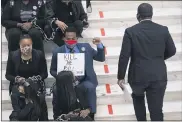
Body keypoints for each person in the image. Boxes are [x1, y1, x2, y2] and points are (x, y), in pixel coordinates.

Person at [117, 3, 176, 121]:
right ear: (152, 14)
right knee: (157, 110)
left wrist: (121, 76)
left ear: (138, 15)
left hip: (137, 75)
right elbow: (172, 50)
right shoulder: (163, 30)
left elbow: (124, 56)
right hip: (158, 74)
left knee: (138, 102)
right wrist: (158, 59)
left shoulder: (130, 31)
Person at [50, 27, 105, 120]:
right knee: (56, 90)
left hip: (84, 80)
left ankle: (90, 113)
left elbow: (101, 58)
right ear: (63, 38)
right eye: (68, 39)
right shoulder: (57, 51)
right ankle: (60, 115)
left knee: (89, 86)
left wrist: (99, 45)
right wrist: (63, 76)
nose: (71, 41)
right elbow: (52, 70)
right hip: (67, 82)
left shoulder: (86, 47)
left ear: (77, 38)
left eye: (73, 39)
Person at [5, 34, 48, 120]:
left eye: (28, 45)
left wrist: (37, 78)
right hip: (19, 84)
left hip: (35, 83)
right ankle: (19, 116)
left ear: (32, 45)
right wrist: (17, 79)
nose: (26, 47)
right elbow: (8, 75)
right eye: (23, 45)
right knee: (17, 95)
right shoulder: (13, 55)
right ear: (19, 45)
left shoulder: (39, 54)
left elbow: (45, 74)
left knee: (37, 99)